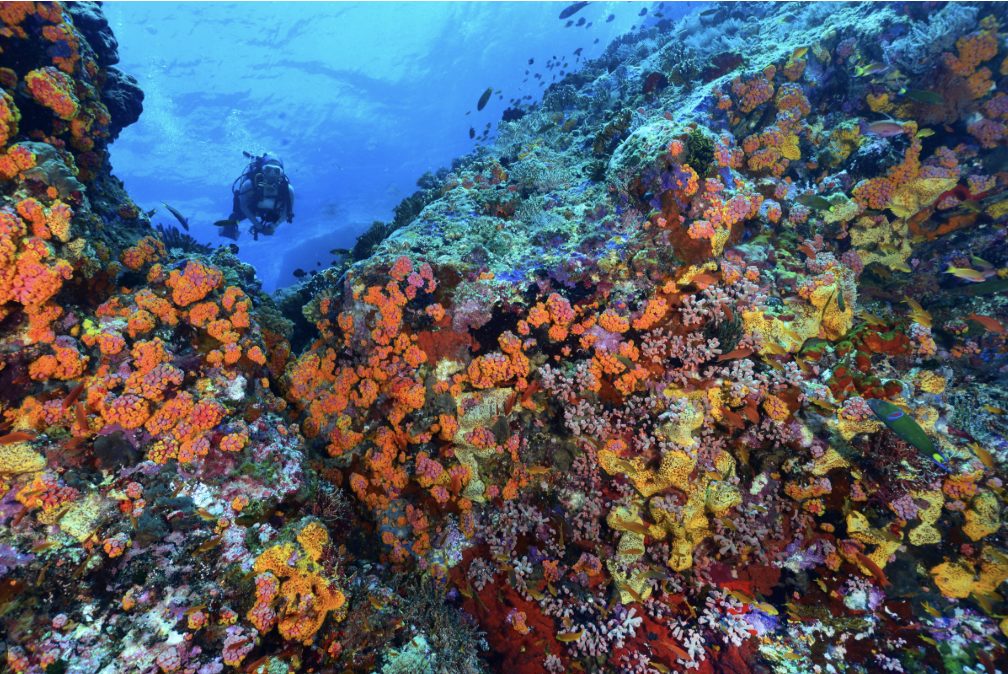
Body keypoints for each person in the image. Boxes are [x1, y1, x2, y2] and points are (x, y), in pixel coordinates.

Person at [214, 151, 295, 240]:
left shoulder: (288, 190)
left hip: (272, 213)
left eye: (276, 171)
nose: (272, 174)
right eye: (268, 170)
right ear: (262, 170)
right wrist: (258, 225)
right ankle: (228, 234)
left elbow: (287, 212)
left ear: (281, 174)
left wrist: (273, 226)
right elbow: (243, 206)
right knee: (233, 218)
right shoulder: (249, 185)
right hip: (252, 209)